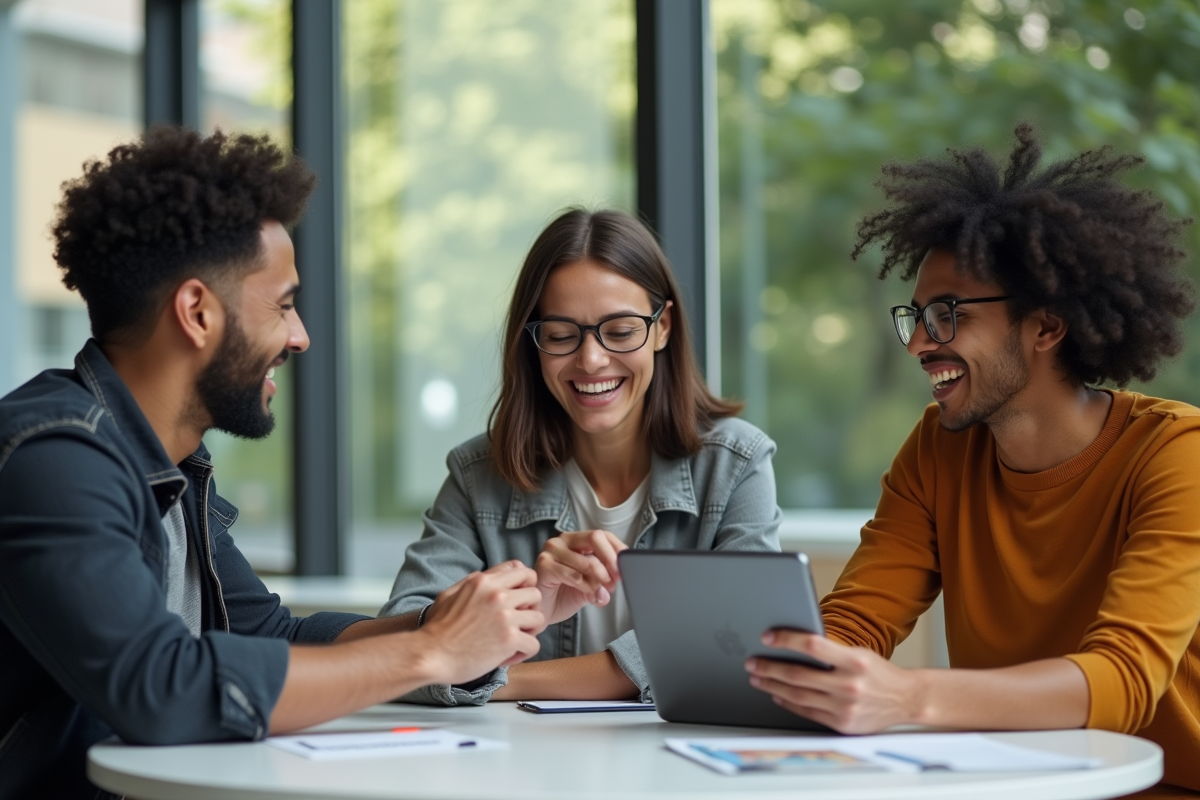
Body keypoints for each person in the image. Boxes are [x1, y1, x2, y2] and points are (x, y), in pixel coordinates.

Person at [0, 126, 545, 800]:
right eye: (283, 305)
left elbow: (276, 635)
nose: (301, 336)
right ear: (197, 312)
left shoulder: (169, 470)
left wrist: (468, 620)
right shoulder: (52, 458)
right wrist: (432, 652)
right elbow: (160, 687)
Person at [743, 123, 1200, 797]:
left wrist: (907, 697)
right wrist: (806, 668)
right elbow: (860, 622)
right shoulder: (939, 446)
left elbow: (1123, 677)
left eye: (949, 314)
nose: (919, 344)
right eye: (917, 316)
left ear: (1046, 325)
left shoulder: (1175, 453)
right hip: (1017, 784)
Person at [379, 208, 782, 704]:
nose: (591, 360)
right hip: (520, 772)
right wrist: (529, 600)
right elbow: (395, 651)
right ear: (534, 343)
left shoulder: (735, 464)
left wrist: (499, 679)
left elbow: (741, 648)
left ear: (662, 328)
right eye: (561, 335)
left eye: (620, 330)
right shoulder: (478, 475)